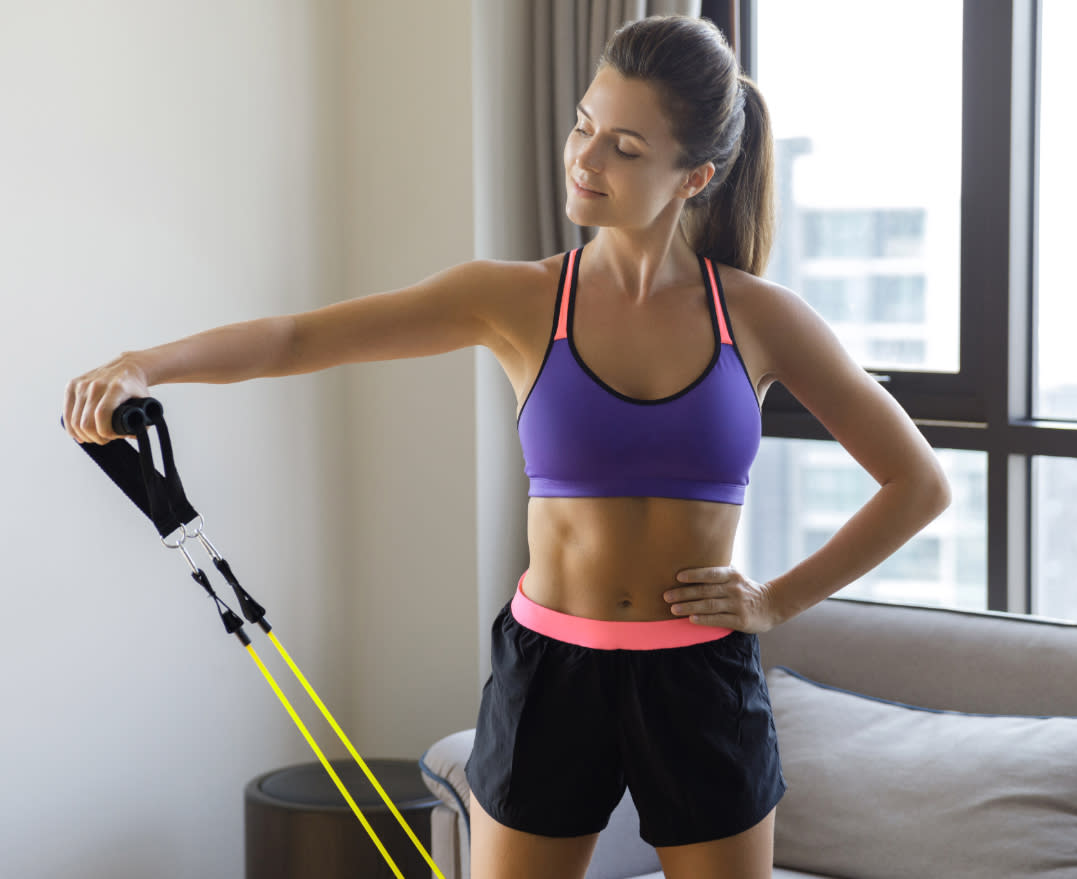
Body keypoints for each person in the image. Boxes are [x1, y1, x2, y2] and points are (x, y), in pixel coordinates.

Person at [64, 15, 950, 879]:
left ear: (695, 177)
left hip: (698, 678)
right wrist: (145, 364)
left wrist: (776, 600)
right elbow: (299, 337)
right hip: (550, 674)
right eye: (583, 125)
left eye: (625, 148)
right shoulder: (518, 300)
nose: (585, 158)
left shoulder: (757, 317)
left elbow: (917, 484)